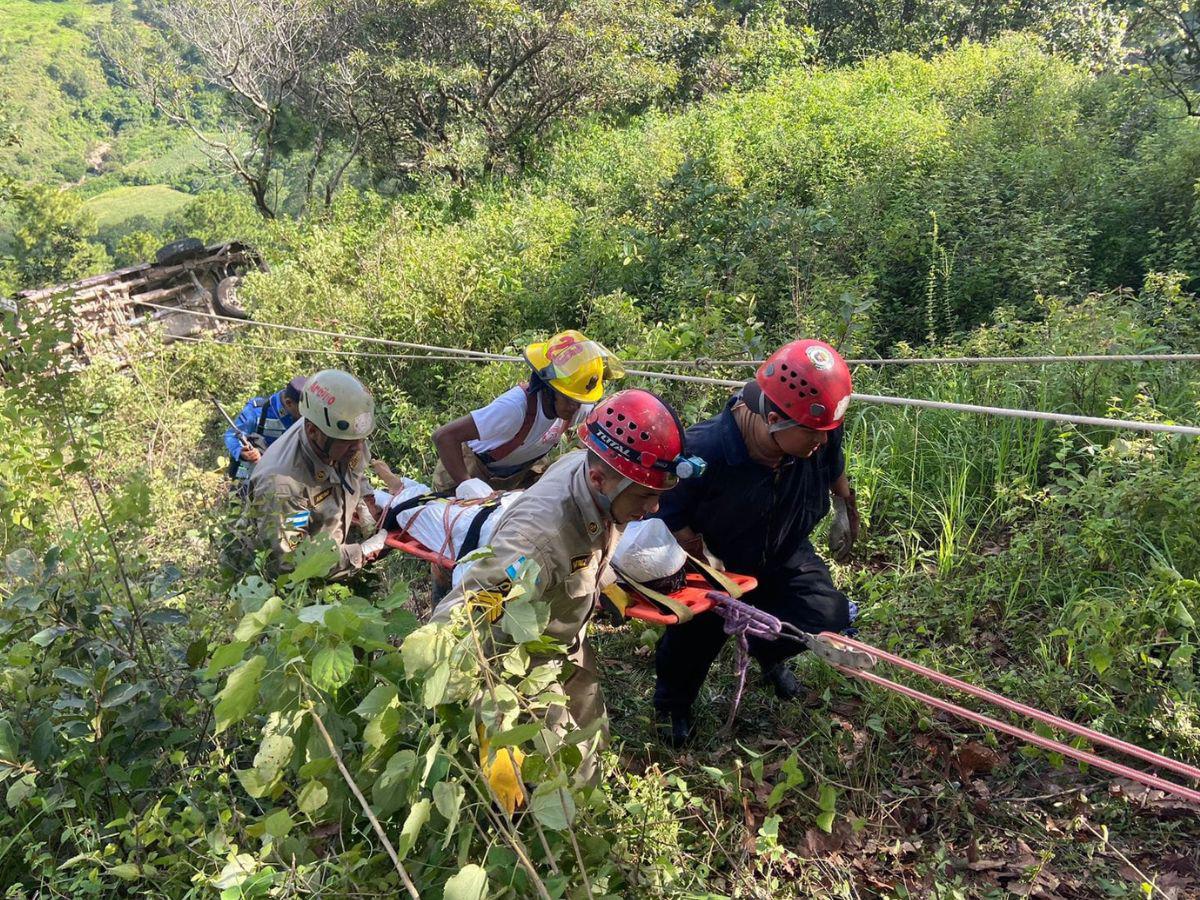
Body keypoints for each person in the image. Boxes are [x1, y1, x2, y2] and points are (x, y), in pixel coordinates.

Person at [432, 388, 704, 788]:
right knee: (560, 771)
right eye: (646, 497)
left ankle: (585, 797)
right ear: (598, 479)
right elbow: (464, 623)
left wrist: (602, 584)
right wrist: (490, 727)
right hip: (522, 662)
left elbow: (590, 547)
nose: (653, 510)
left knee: (592, 740)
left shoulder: (594, 473)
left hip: (565, 641)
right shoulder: (535, 545)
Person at [651, 339, 861, 747]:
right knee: (694, 639)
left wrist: (844, 511)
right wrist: (705, 562)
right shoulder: (704, 452)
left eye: (826, 433)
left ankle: (770, 654)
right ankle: (672, 706)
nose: (821, 442)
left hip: (784, 548)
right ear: (775, 419)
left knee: (825, 614)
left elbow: (834, 470)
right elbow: (668, 512)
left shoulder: (817, 435)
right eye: (812, 435)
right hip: (717, 563)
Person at [431, 330, 623, 491]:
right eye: (568, 399)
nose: (575, 407)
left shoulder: (578, 407)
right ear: (548, 389)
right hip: (471, 467)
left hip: (517, 473)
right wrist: (466, 484)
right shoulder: (514, 408)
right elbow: (444, 437)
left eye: (579, 400)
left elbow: (605, 429)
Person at [245, 369, 389, 580]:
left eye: (361, 439)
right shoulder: (283, 485)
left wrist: (364, 501)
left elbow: (356, 470)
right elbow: (293, 562)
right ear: (313, 431)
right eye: (348, 442)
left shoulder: (344, 436)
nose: (358, 447)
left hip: (331, 547)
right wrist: (360, 554)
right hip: (291, 586)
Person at [223, 376, 307, 483]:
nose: (306, 414)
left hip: (284, 482)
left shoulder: (308, 416)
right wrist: (242, 452)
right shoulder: (257, 411)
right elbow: (231, 436)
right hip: (249, 480)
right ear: (289, 403)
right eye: (302, 409)